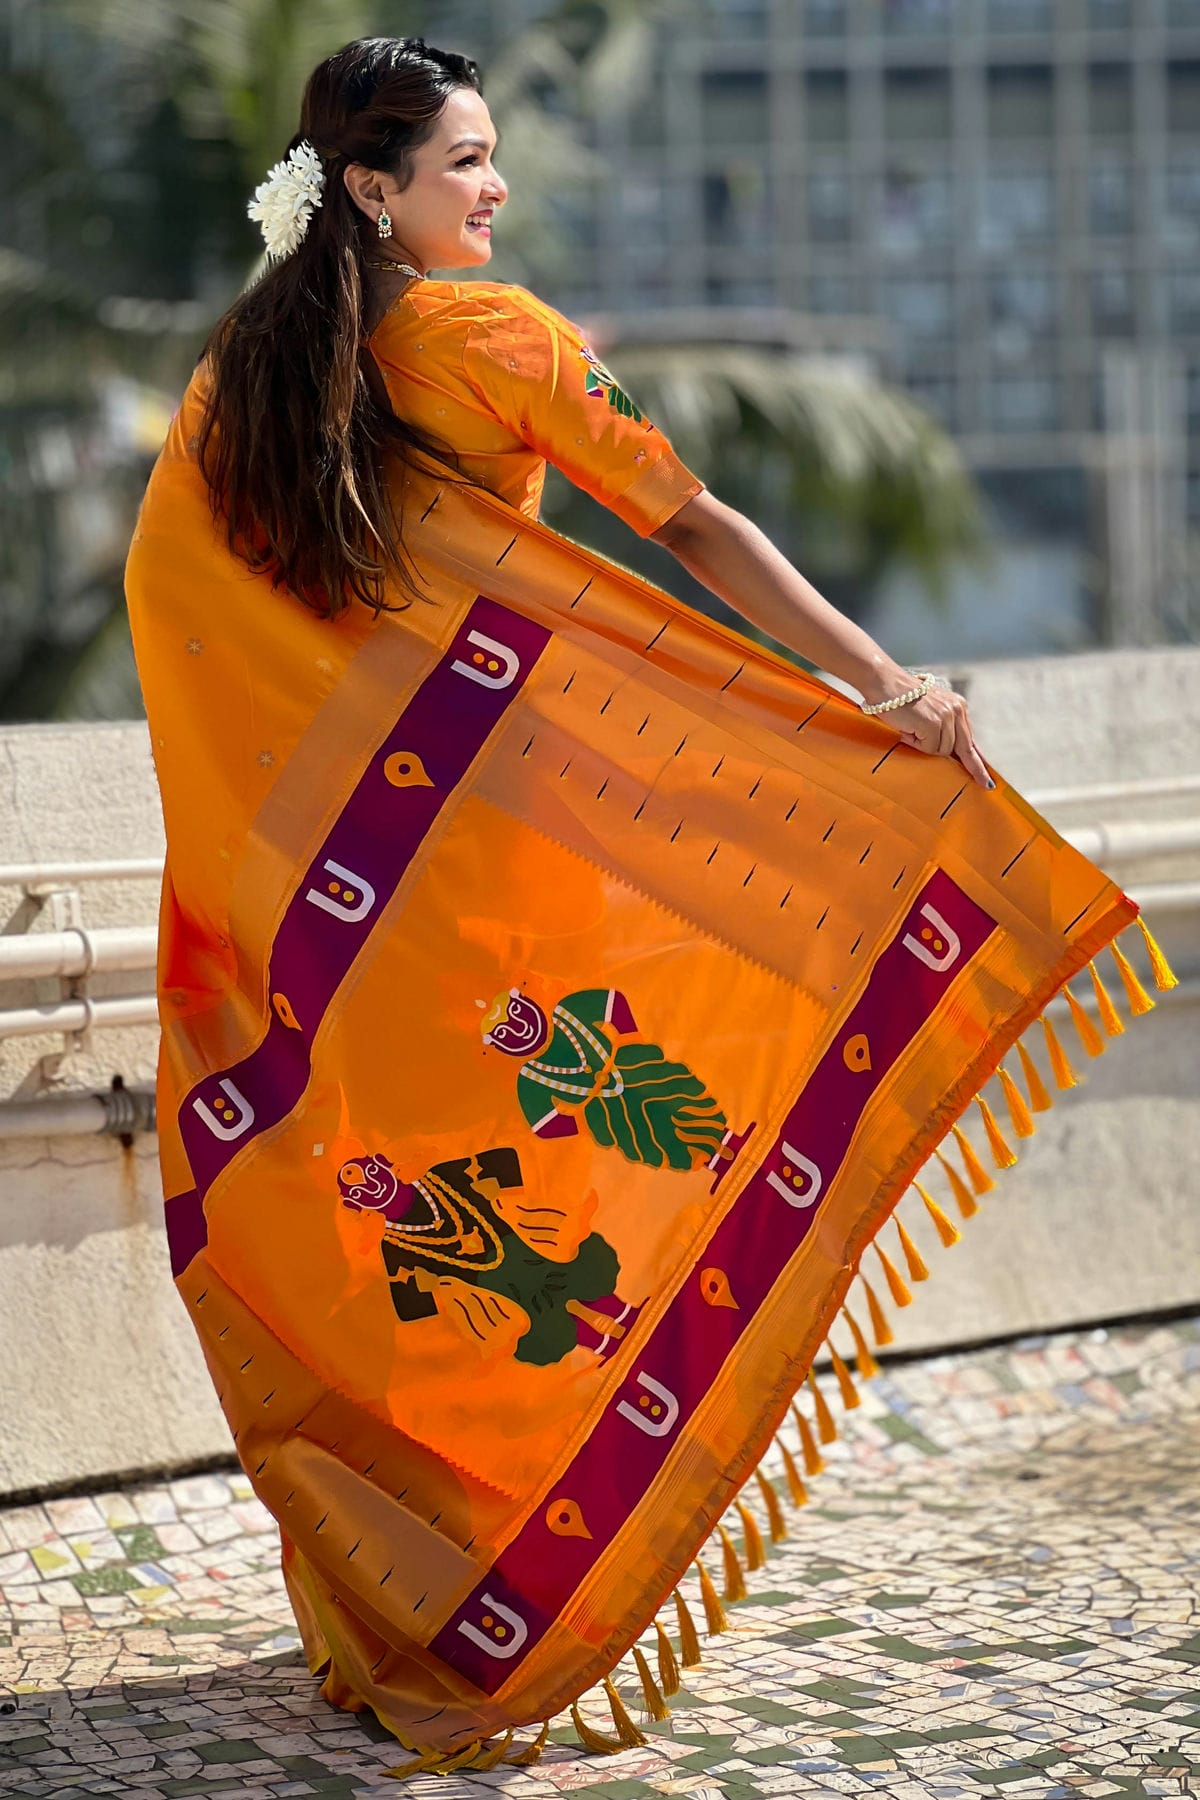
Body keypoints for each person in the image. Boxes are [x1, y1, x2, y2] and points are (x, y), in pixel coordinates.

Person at [126, 35, 1168, 1773]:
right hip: (497, 861)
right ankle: (505, 1585)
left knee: (387, 1202)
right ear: (373, 190)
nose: (495, 188)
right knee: (549, 1173)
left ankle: (392, 1604)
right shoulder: (496, 338)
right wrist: (880, 687)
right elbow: (693, 527)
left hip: (351, 911)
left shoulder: (251, 373)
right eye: (466, 161)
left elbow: (201, 618)